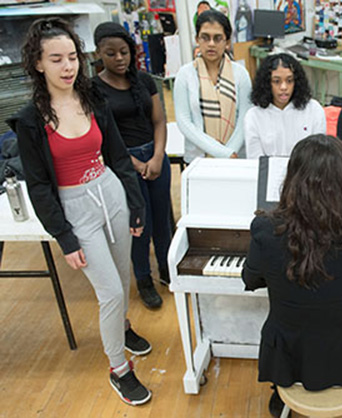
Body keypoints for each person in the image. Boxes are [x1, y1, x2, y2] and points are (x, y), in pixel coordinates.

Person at [8, 18, 152, 405]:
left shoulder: (92, 99)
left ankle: (122, 329)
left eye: (72, 56)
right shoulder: (30, 120)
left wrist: (136, 204)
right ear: (38, 64)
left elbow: (118, 156)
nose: (67, 66)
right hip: (75, 209)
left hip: (110, 194)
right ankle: (119, 369)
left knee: (122, 279)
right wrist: (64, 236)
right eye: (56, 59)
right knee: (107, 292)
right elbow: (38, 186)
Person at [242, 135, 342, 417]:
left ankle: (288, 384)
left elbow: (250, 279)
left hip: (292, 350)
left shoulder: (266, 229)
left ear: (293, 178)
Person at [92, 22, 172, 310]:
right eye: (111, 53)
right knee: (140, 225)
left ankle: (166, 270)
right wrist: (137, 164)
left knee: (163, 220)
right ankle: (144, 280)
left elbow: (159, 121)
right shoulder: (93, 89)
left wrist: (159, 156)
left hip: (155, 156)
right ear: (99, 53)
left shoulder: (143, 80)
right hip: (123, 164)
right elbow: (101, 138)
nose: (119, 58)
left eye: (124, 52)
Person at [174, 9, 252, 162]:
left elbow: (245, 117)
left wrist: (229, 152)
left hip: (234, 158)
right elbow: (184, 122)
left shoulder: (241, 74)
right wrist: (220, 152)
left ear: (227, 42)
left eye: (218, 38)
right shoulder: (185, 75)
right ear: (197, 39)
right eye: (205, 37)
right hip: (199, 160)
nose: (211, 44)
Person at [244, 53, 326, 159]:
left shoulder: (314, 110)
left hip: (305, 174)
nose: (284, 87)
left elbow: (318, 157)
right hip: (269, 174)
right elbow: (256, 161)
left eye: (289, 81)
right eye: (277, 81)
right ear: (267, 83)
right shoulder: (253, 116)